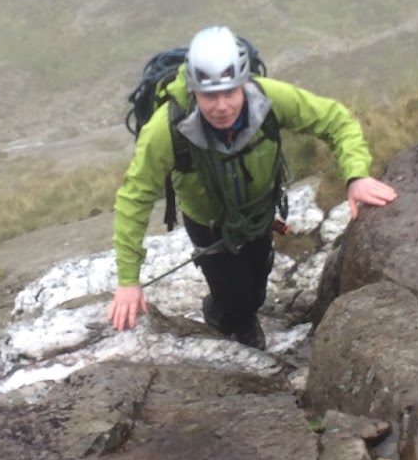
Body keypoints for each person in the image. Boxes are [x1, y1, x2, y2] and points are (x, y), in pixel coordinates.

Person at [108, 26, 397, 348]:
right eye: (209, 96)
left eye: (230, 92)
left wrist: (356, 176)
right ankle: (225, 319)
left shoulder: (270, 99)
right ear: (193, 92)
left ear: (244, 84)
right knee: (236, 299)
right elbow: (134, 199)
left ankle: (241, 310)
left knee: (256, 287)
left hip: (259, 212)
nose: (221, 106)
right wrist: (128, 280)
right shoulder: (165, 129)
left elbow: (336, 121)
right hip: (209, 225)